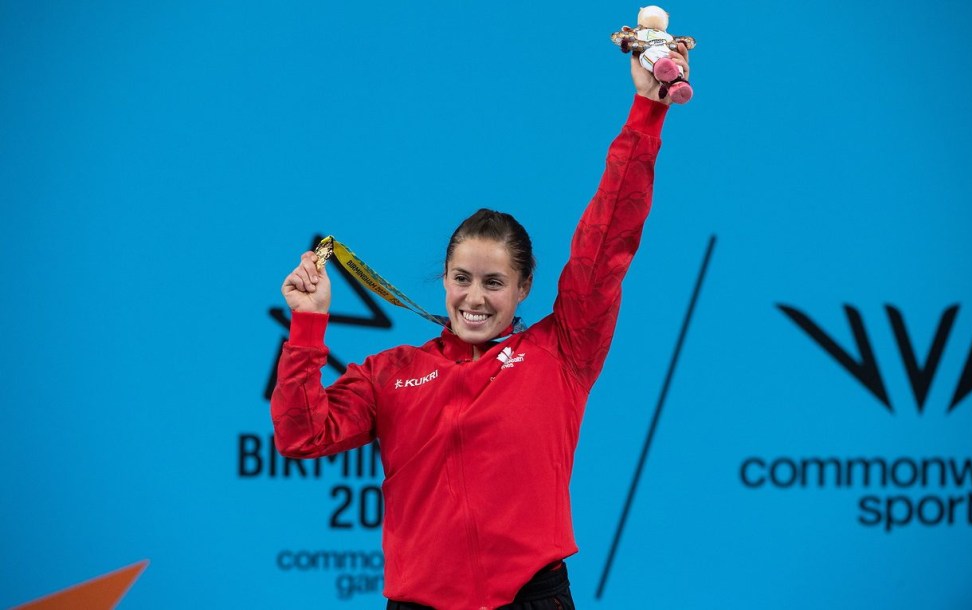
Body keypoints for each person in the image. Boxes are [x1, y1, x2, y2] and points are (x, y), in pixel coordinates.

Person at [273, 47, 690, 610]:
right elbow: (302, 435)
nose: (474, 298)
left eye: (494, 283)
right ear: (444, 280)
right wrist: (307, 326)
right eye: (462, 279)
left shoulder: (562, 350)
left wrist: (646, 112)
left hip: (532, 599)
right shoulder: (390, 374)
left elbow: (608, 239)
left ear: (523, 288)